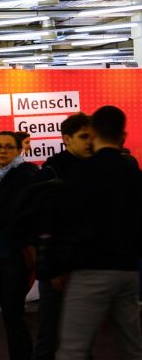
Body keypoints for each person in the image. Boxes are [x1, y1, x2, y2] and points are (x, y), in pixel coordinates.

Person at [56, 106, 142, 359]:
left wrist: (60, 266)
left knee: (73, 348)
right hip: (128, 270)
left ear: (93, 133)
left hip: (90, 269)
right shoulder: (132, 172)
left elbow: (70, 221)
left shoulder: (83, 171)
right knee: (132, 348)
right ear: (123, 135)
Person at [16, 113, 92, 360]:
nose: (89, 142)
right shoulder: (51, 173)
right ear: (67, 139)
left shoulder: (92, 169)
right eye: (84, 137)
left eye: (92, 137)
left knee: (82, 337)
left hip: (84, 265)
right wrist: (53, 269)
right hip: (57, 270)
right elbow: (44, 225)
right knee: (49, 334)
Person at [0, 131, 38, 360]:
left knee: (14, 315)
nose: (2, 150)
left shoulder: (24, 174)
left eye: (8, 146)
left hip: (13, 254)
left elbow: (13, 214)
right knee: (9, 314)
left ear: (18, 150)